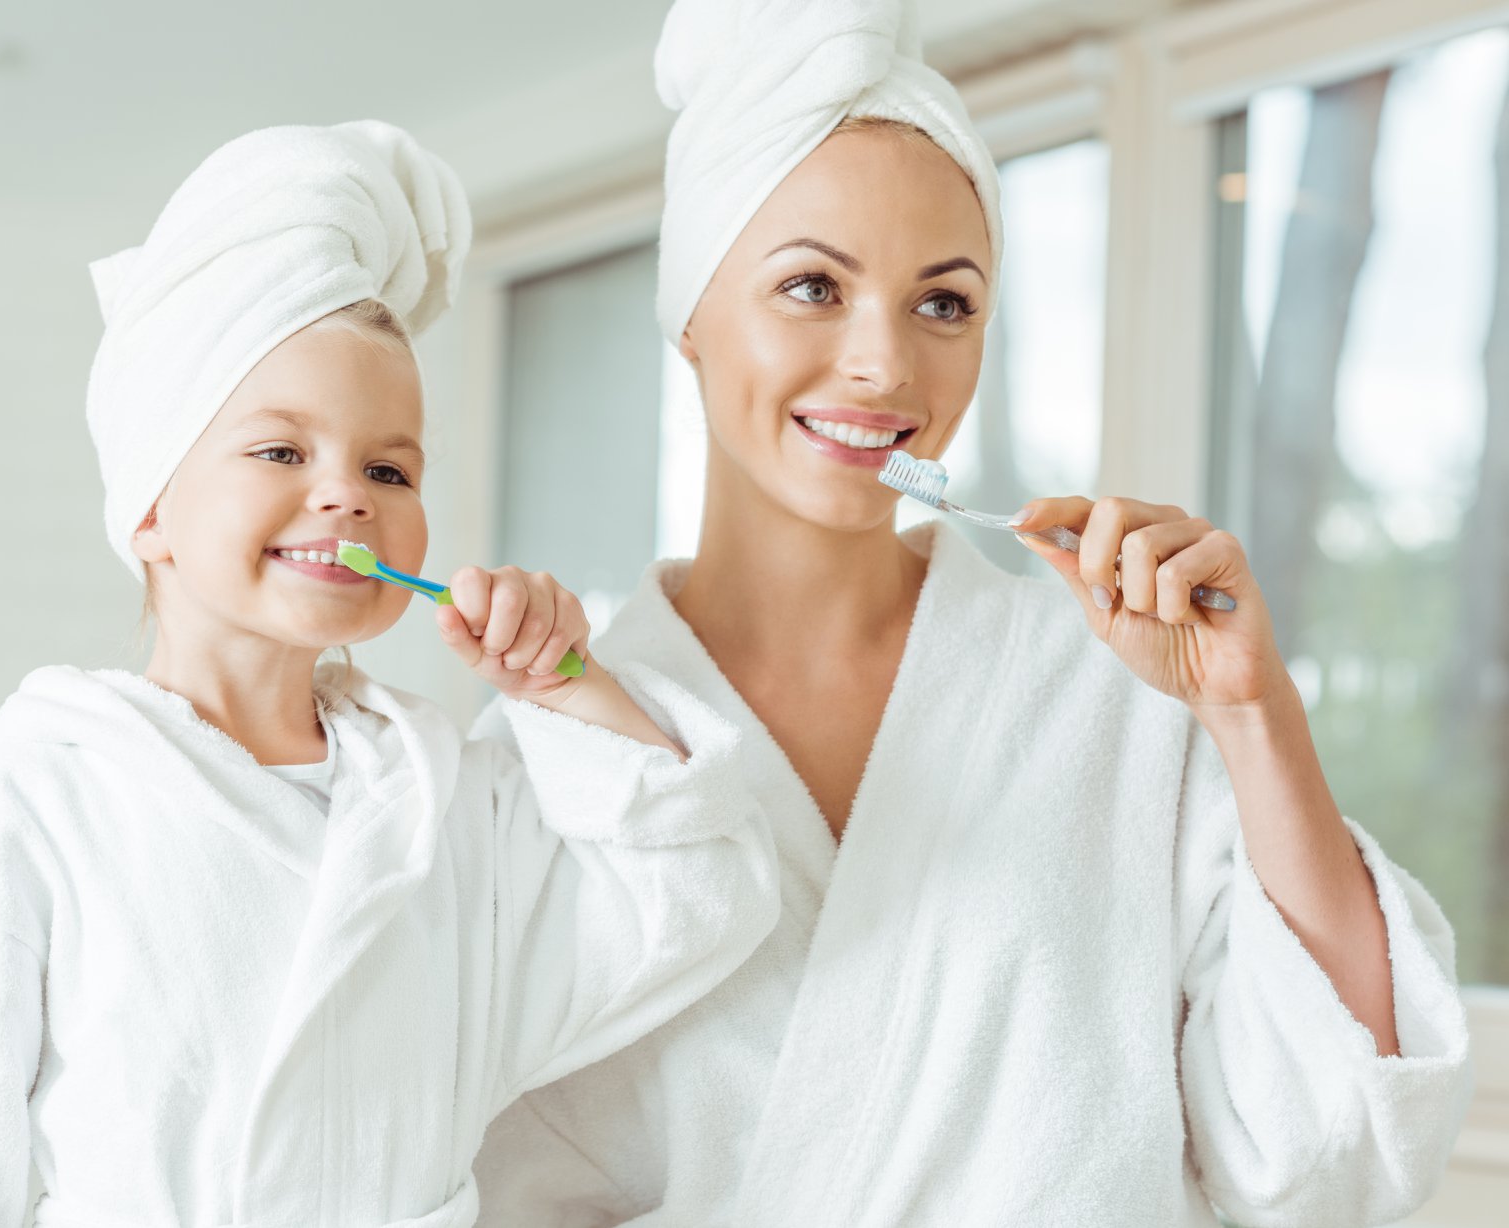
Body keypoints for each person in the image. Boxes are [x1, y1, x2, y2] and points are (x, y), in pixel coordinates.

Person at [472, 2, 1472, 1224]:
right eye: (810, 286)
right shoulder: (552, 751)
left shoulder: (1114, 695)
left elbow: (1329, 1153)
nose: (884, 363)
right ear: (689, 314)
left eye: (942, 303)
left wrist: (1253, 716)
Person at [0, 120, 777, 1228]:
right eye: (281, 451)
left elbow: (694, 902)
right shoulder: (47, 796)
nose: (347, 494)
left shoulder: (444, 798)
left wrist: (568, 690)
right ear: (148, 506)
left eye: (387, 466)